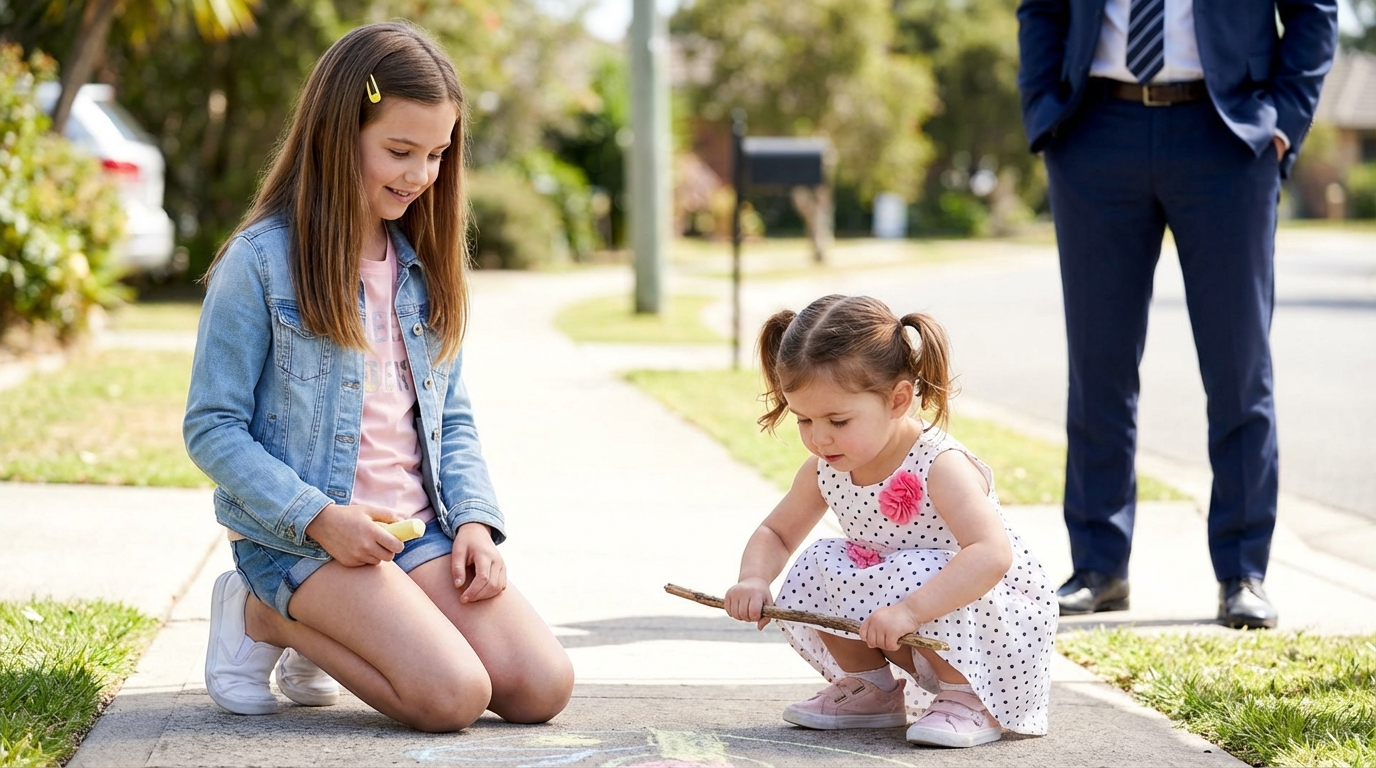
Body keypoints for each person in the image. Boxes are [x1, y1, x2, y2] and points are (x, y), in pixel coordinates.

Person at [183, 21, 574, 731]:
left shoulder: (420, 266)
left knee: (540, 687)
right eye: (399, 151)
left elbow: (449, 414)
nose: (420, 175)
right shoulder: (262, 262)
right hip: (300, 537)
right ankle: (263, 616)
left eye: (436, 155)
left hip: (413, 533)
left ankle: (354, 627)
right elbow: (212, 427)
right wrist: (319, 518)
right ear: (338, 133)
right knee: (450, 696)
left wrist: (477, 524)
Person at [1016, 0, 1338, 629]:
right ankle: (1098, 566)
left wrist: (1284, 121)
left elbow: (1314, 11)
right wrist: (1044, 111)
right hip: (1094, 130)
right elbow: (1042, 10)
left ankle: (1243, 571)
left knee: (1239, 366)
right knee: (1098, 364)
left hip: (1227, 133)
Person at [723, 295, 1056, 749]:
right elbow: (776, 533)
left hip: (991, 623)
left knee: (925, 566)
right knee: (822, 559)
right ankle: (870, 690)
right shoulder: (826, 468)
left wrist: (908, 612)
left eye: (838, 420)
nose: (819, 438)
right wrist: (754, 578)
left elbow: (991, 555)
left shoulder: (939, 465)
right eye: (804, 419)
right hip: (905, 609)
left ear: (898, 399)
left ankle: (968, 698)